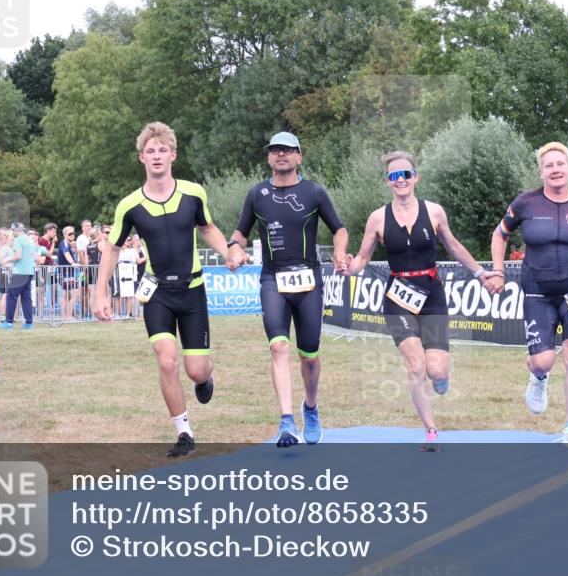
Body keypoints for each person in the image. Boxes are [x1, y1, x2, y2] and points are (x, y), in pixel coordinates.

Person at [94, 122, 230, 458]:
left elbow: (208, 228)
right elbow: (112, 249)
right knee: (167, 361)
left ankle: (205, 378)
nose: (157, 156)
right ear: (142, 157)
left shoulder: (193, 193)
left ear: (173, 155)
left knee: (195, 369)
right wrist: (100, 293)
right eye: (150, 151)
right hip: (157, 294)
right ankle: (184, 432)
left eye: (162, 150)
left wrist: (228, 253)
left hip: (192, 291)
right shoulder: (130, 205)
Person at [346, 151, 498, 449]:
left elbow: (454, 246)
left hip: (431, 296)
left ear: (415, 177)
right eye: (393, 176)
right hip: (397, 298)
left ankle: (441, 379)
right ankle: (430, 430)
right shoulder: (378, 218)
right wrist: (348, 268)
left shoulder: (434, 212)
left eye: (405, 174)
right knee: (416, 366)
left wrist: (481, 273)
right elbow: (363, 258)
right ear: (387, 182)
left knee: (436, 370)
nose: (400, 180)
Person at [488, 142, 568, 450]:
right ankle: (538, 377)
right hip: (538, 290)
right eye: (549, 165)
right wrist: (498, 271)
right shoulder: (525, 203)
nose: (555, 169)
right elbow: (500, 234)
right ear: (541, 172)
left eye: (560, 164)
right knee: (543, 361)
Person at [227, 131, 349, 448]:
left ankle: (311, 407)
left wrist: (339, 252)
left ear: (299, 157)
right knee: (278, 347)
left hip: (309, 281)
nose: (281, 154)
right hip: (272, 279)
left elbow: (339, 229)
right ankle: (286, 420)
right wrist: (234, 248)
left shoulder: (314, 192)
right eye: (275, 150)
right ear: (269, 158)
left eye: (287, 149)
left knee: (309, 357)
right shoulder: (257, 194)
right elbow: (240, 232)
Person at [0, 223, 35, 330]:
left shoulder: (18, 240)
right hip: (29, 271)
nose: (12, 232)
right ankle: (29, 323)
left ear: (16, 230)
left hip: (20, 272)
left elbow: (18, 256)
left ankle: (9, 322)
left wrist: (7, 259)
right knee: (26, 298)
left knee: (11, 296)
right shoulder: (29, 240)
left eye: (12, 230)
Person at [57, 225, 79, 320]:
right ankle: (68, 316)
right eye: (70, 234)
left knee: (66, 296)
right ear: (64, 235)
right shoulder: (64, 243)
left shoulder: (68, 244)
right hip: (66, 273)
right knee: (75, 295)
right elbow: (66, 254)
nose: (72, 235)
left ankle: (65, 317)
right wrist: (73, 263)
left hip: (66, 272)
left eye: (73, 233)